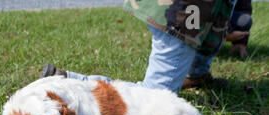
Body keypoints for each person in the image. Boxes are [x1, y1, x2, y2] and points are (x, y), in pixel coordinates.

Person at [41, 0, 239, 93]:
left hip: (187, 11)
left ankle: (197, 75)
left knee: (201, 35)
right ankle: (71, 82)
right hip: (183, 12)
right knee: (155, 95)